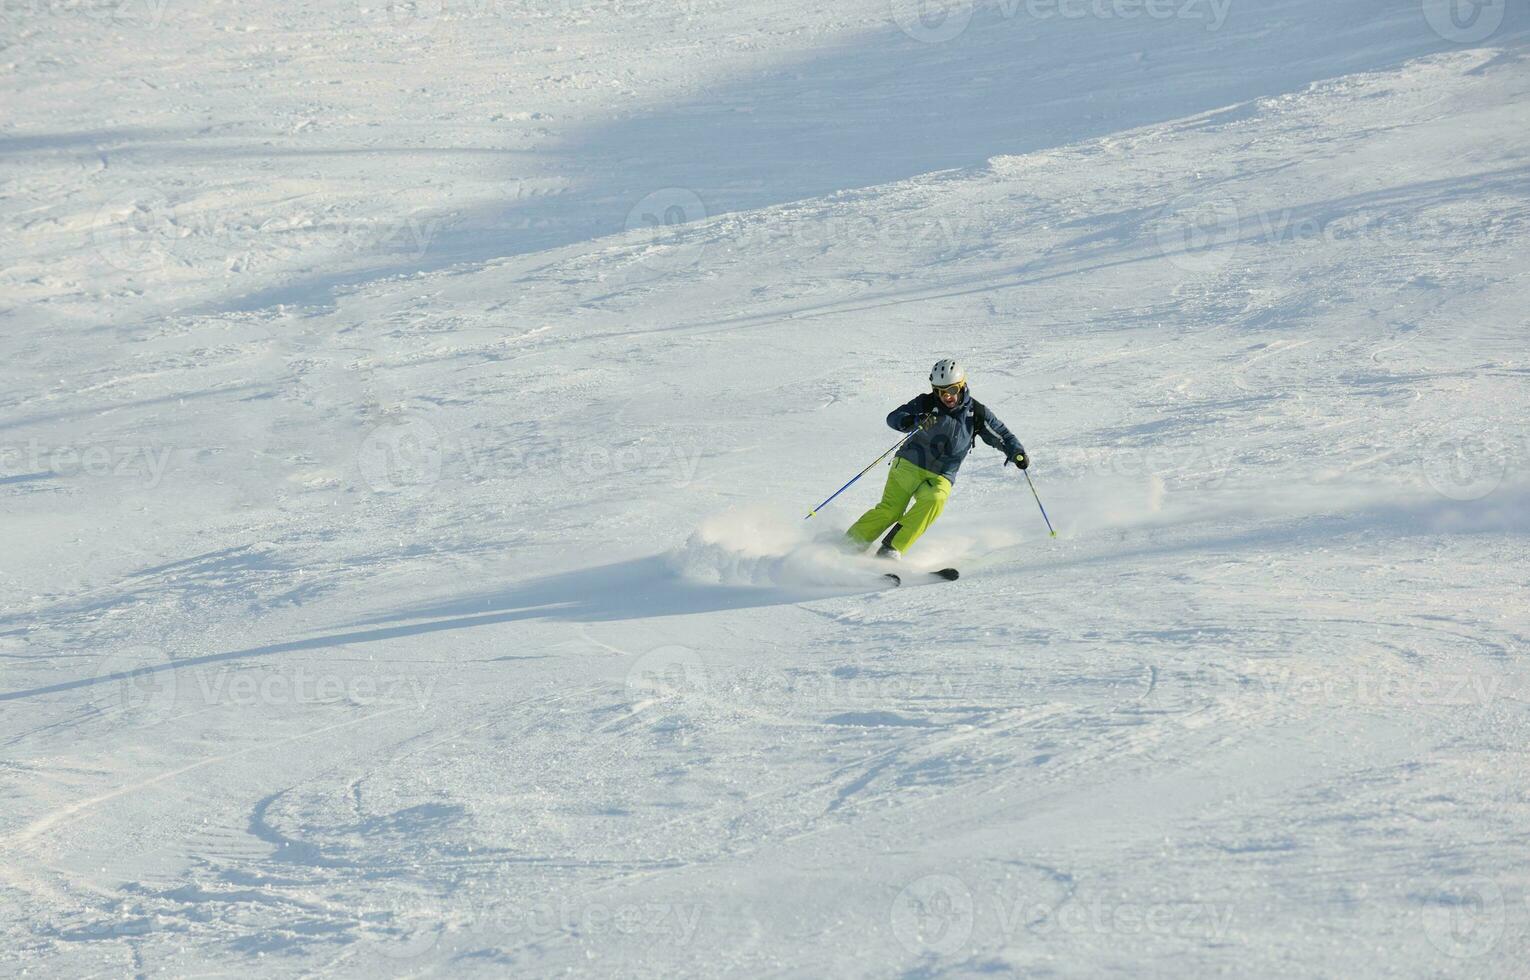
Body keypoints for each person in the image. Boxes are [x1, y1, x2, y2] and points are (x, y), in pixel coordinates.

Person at [846, 358, 1029, 559]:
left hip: (942, 474)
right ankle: (849, 544)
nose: (946, 396)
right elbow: (894, 417)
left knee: (936, 499)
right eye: (940, 391)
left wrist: (1016, 451)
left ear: (962, 386)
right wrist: (912, 420)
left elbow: (1001, 434)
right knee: (891, 511)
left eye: (951, 390)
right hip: (908, 465)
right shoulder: (926, 403)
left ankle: (891, 549)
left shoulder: (977, 413)